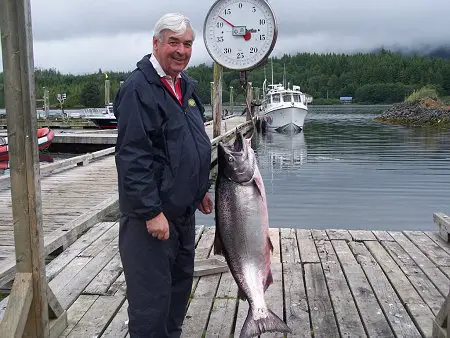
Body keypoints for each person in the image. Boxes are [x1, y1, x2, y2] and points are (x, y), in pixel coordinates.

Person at [113, 13, 214, 337]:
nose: (181, 51)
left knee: (177, 294)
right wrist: (151, 212)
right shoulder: (138, 88)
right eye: (173, 42)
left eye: (187, 44)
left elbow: (186, 145)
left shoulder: (185, 86)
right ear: (156, 44)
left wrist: (199, 190)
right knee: (150, 304)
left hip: (183, 215)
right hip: (151, 221)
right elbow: (133, 157)